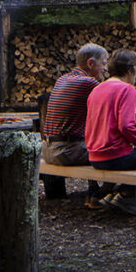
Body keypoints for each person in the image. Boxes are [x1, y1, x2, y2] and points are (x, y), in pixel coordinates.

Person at [86, 48, 136, 216]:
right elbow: (126, 126)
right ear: (130, 69)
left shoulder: (97, 89)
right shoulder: (127, 89)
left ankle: (119, 194)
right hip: (114, 156)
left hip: (94, 155)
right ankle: (130, 196)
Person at [41, 43, 109, 207]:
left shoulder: (62, 79)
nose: (106, 69)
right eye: (104, 63)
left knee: (94, 141)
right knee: (118, 153)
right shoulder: (88, 83)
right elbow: (116, 98)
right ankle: (110, 193)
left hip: (47, 149)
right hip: (65, 151)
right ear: (91, 63)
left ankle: (96, 191)